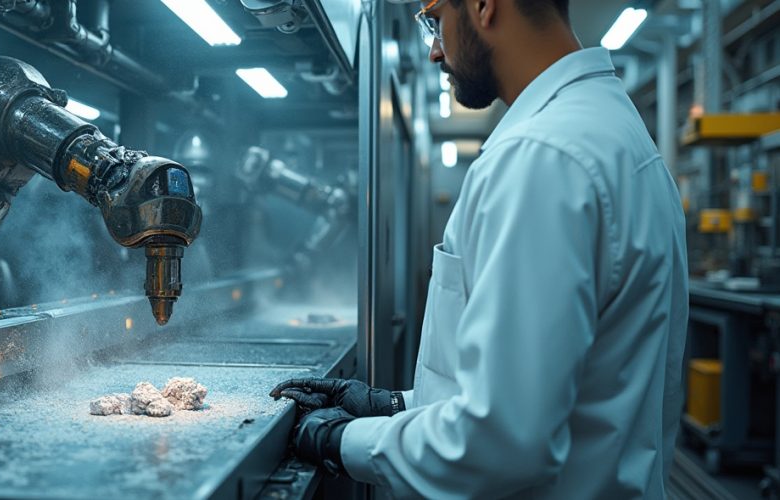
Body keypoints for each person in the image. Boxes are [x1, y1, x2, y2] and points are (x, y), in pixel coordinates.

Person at [270, 0, 688, 497]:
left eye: (435, 20)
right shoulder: (610, 134)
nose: (433, 51)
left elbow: (500, 442)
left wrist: (339, 441)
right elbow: (551, 388)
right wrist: (394, 407)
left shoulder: (542, 158)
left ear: (485, 6)